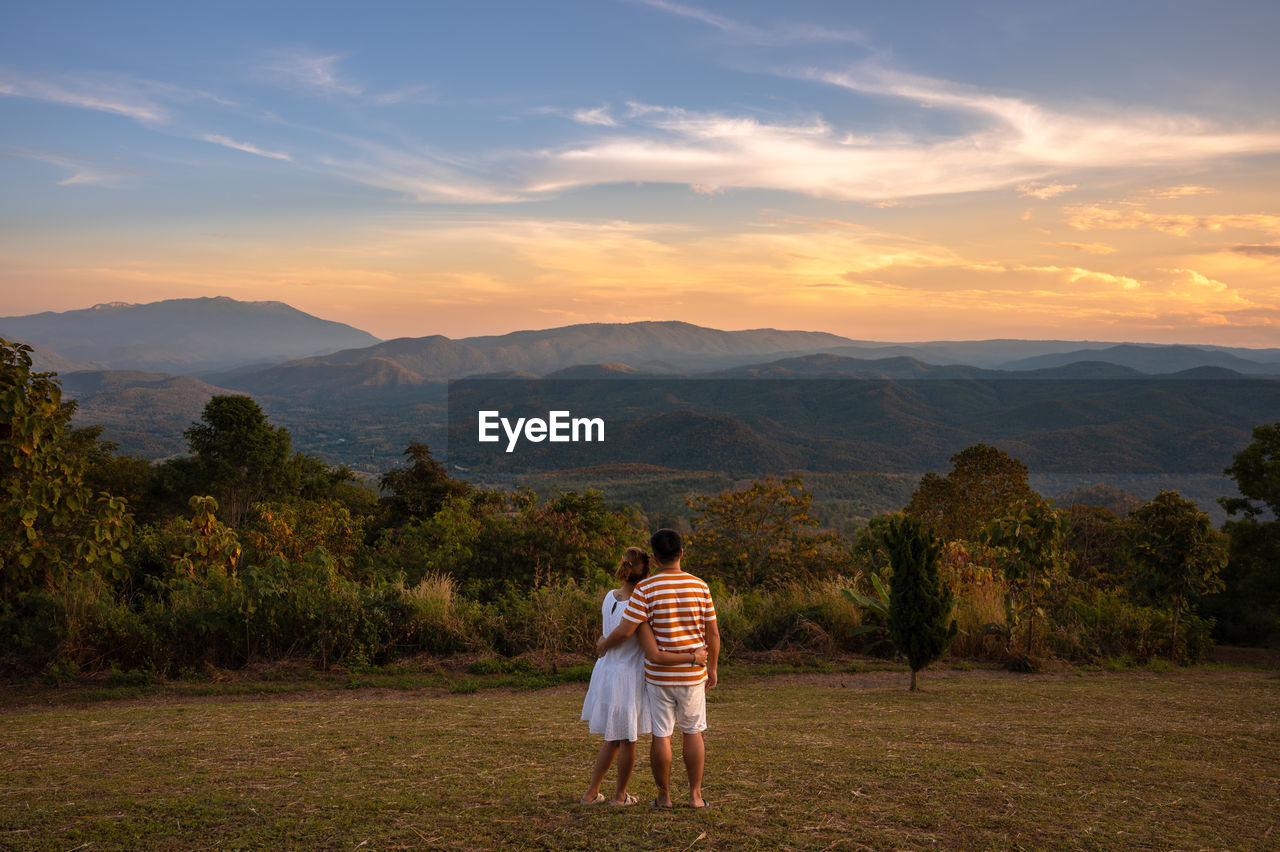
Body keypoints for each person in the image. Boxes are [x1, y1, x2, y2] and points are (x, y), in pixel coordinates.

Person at [597, 529, 719, 809]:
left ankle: (664, 796)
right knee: (693, 732)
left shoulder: (645, 589)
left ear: (655, 556)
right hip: (692, 674)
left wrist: (604, 643)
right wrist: (711, 667)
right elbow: (712, 633)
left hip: (659, 676)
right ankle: (695, 796)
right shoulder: (701, 586)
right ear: (681, 553)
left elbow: (626, 630)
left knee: (661, 735)